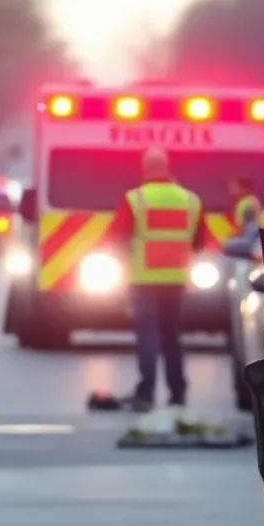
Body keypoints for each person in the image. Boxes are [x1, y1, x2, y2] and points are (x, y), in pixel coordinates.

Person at [106, 146, 210, 411]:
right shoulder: (190, 200)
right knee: (173, 337)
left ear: (145, 168)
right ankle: (178, 393)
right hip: (175, 280)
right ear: (167, 168)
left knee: (148, 337)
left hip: (143, 280)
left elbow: (118, 238)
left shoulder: (135, 199)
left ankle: (146, 393)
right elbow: (200, 242)